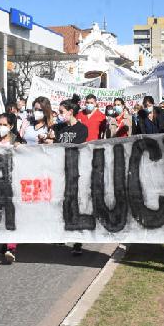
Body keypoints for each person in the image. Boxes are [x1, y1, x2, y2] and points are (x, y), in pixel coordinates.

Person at [51, 99, 89, 255]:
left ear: (70, 112)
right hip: (60, 171)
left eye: (61, 112)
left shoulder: (82, 128)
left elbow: (76, 147)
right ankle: (63, 233)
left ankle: (78, 241)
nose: (59, 115)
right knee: (62, 203)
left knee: (76, 204)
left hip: (75, 171)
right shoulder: (59, 128)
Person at [0, 113, 23, 264]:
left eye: (4, 124)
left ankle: (11, 247)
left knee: (11, 212)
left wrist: (20, 148)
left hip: (12, 182)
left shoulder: (16, 140)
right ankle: (5, 241)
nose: (1, 127)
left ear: (11, 126)